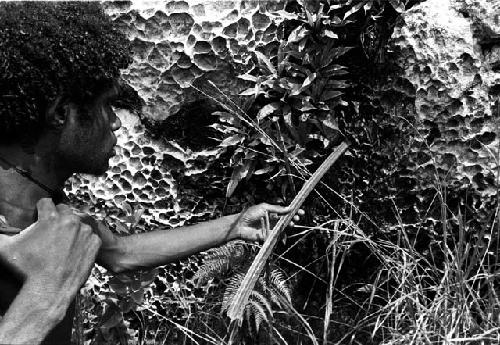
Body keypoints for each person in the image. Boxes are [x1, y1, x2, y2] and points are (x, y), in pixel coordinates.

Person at [0, 3, 301, 344]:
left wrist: (236, 225)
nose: (114, 121)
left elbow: (122, 252)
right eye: (105, 105)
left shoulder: (49, 213)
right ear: (60, 114)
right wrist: (47, 296)